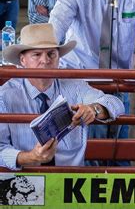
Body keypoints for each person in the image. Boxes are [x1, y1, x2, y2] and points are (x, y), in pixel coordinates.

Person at [0, 23, 124, 170]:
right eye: (37, 54)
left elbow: (115, 103)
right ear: (22, 60)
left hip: (70, 180)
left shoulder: (74, 85)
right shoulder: (5, 95)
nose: (45, 61)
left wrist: (94, 109)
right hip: (25, 181)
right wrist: (30, 156)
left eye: (51, 54)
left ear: (59, 57)